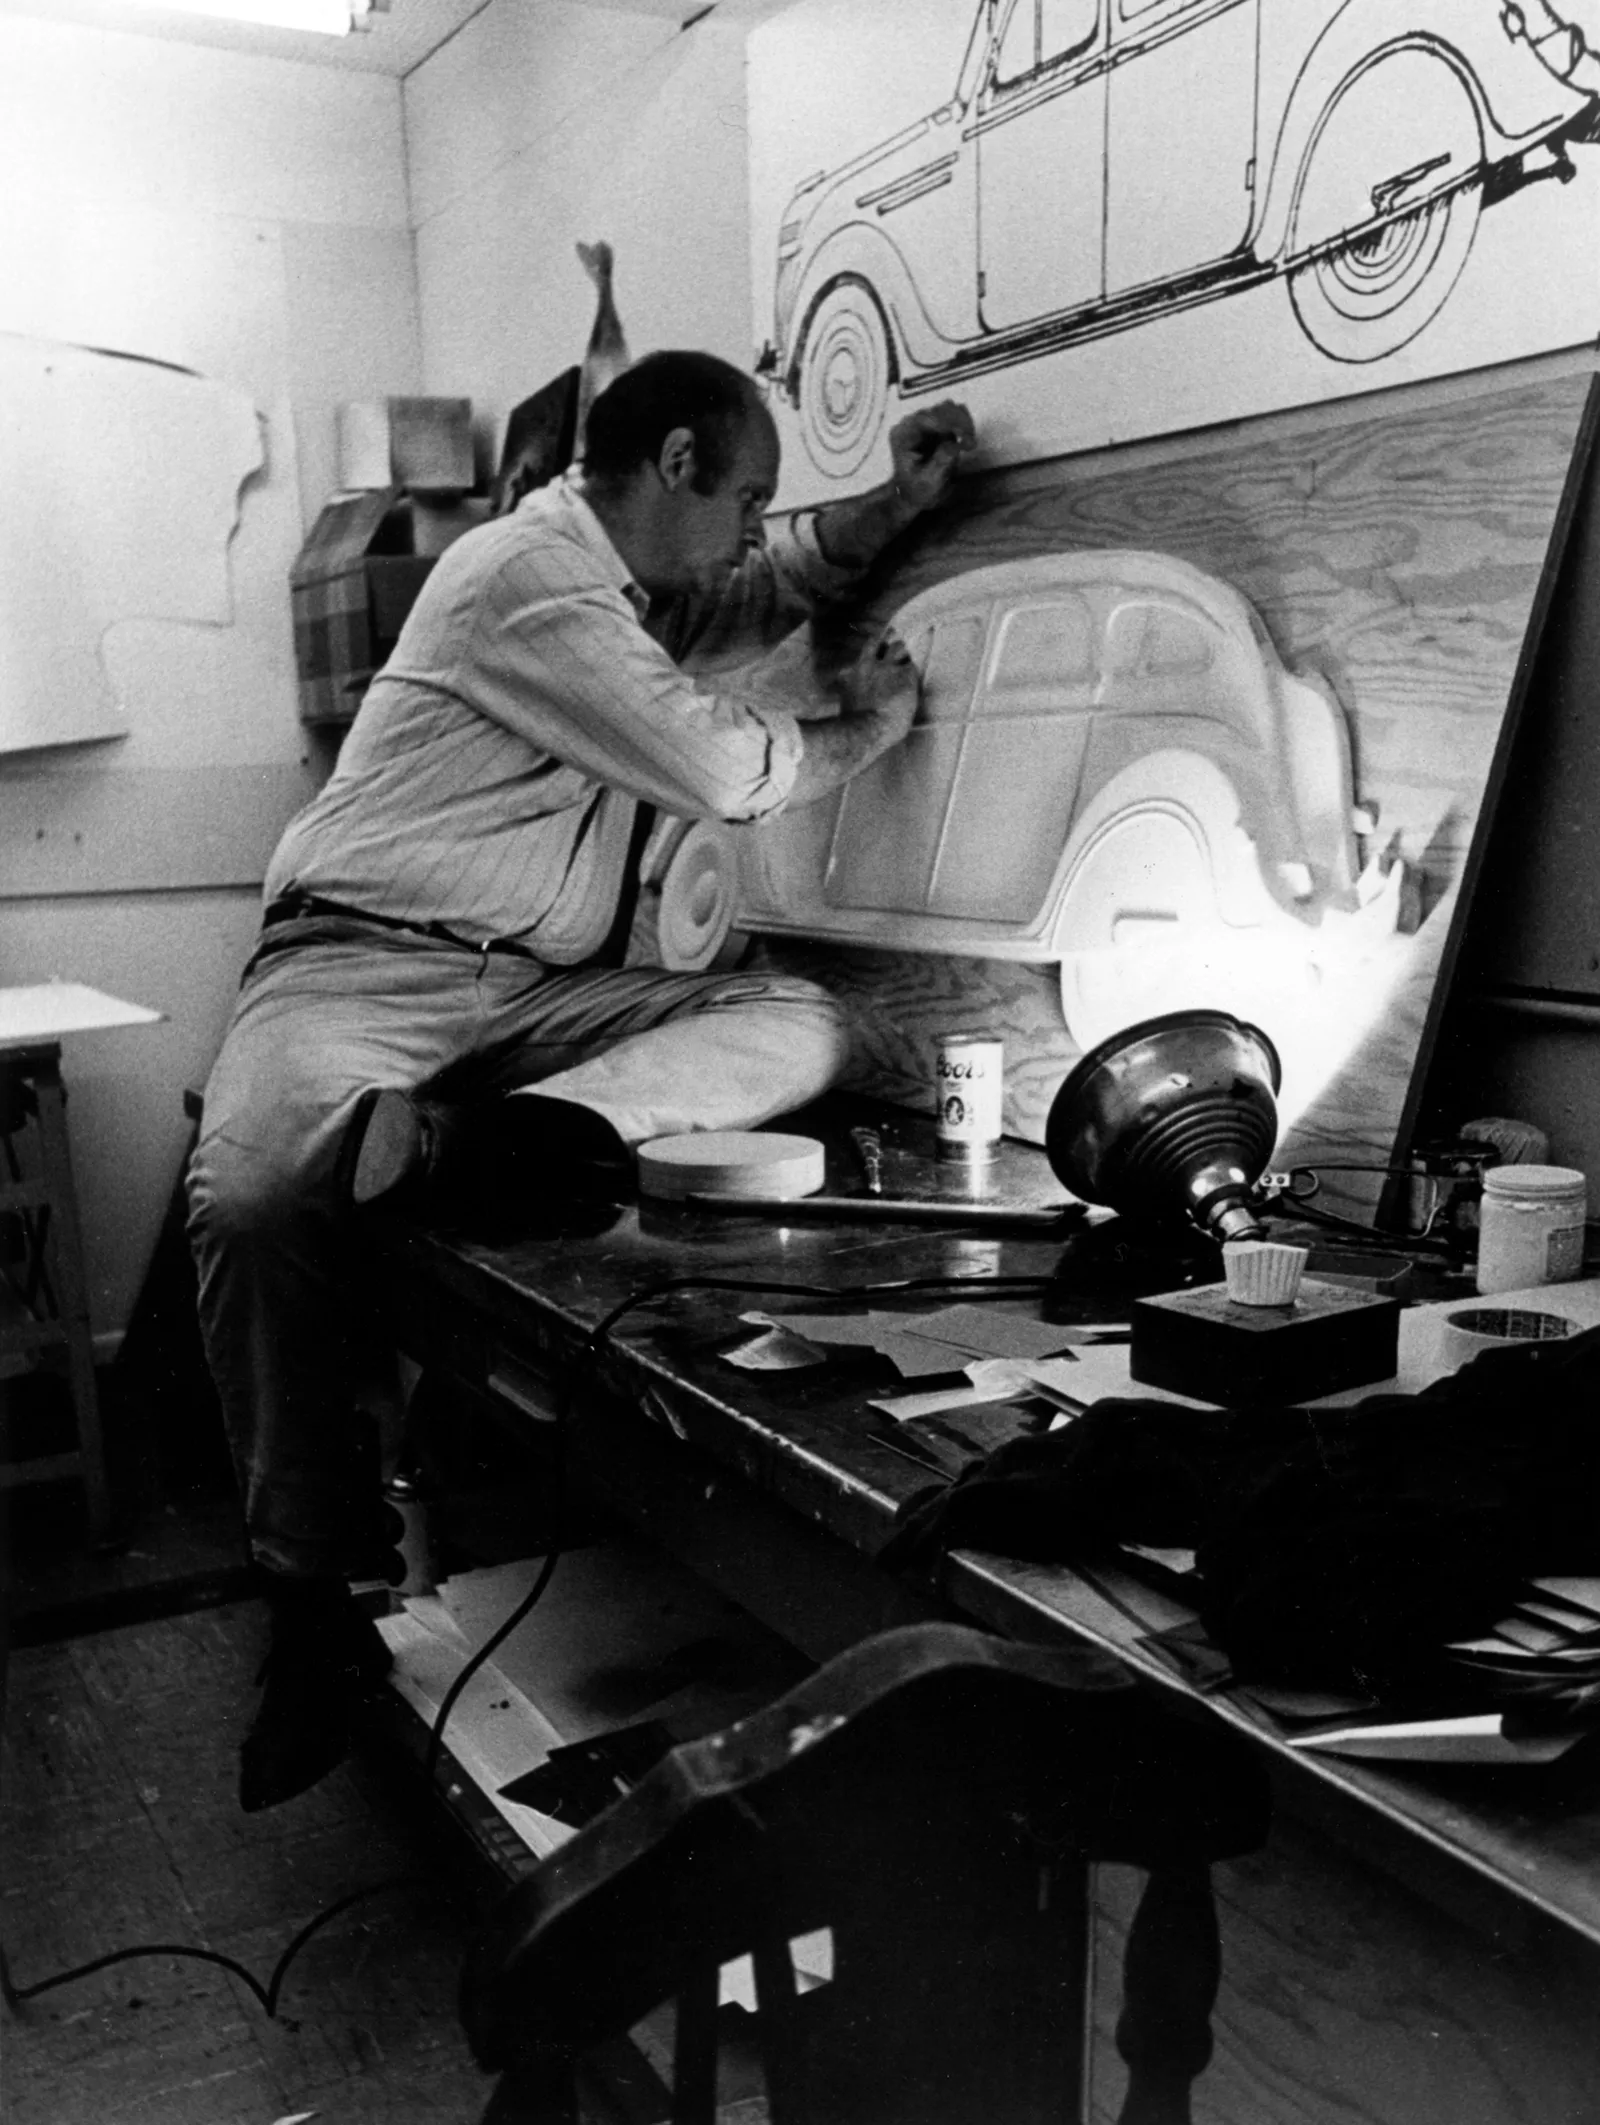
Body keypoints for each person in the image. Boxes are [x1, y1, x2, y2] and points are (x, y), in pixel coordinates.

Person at [186, 349, 976, 1811]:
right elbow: (729, 765)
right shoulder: (523, 574)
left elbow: (774, 583)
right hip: (362, 966)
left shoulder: (626, 592)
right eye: (740, 493)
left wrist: (901, 505)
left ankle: (489, 1142)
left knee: (799, 1021)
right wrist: (868, 728)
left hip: (536, 1001)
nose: (754, 526)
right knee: (249, 1200)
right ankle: (308, 1604)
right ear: (672, 465)